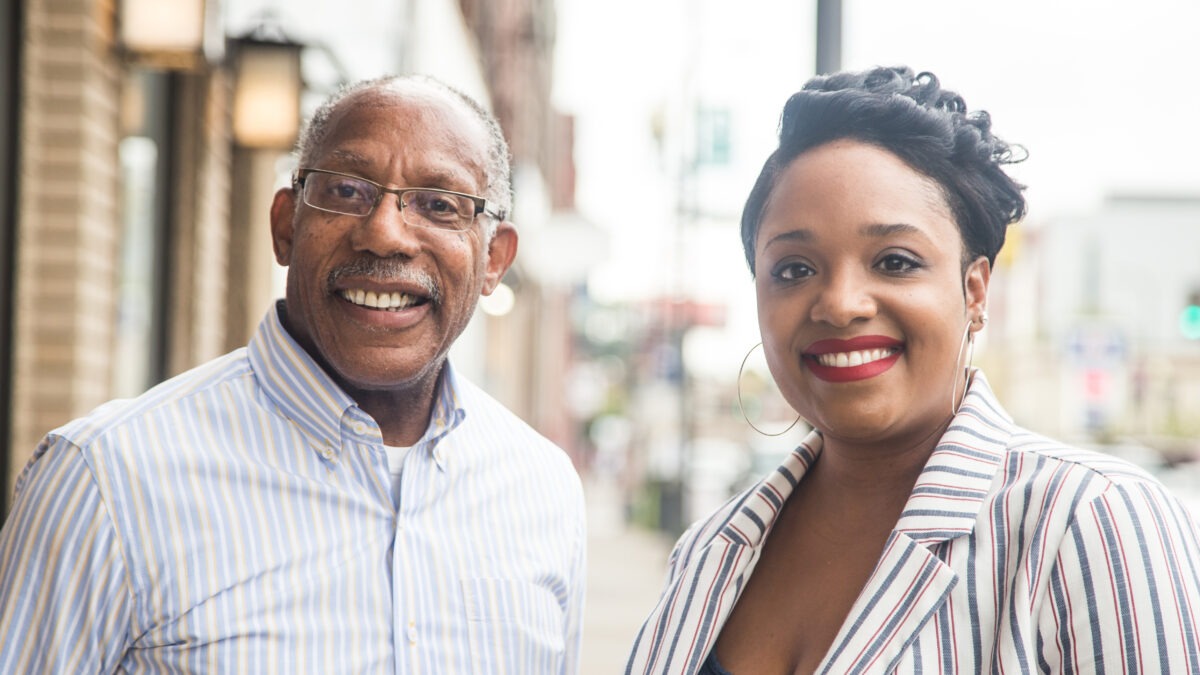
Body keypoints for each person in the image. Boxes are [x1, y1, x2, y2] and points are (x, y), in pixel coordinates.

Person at [0, 75, 586, 673]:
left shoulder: (542, 489)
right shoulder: (108, 479)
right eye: (348, 191)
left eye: (439, 204)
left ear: (494, 261)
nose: (384, 233)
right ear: (285, 225)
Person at [626, 66, 1200, 674]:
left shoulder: (1089, 522)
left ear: (974, 291)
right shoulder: (710, 550)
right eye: (794, 269)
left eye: (895, 261)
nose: (841, 304)